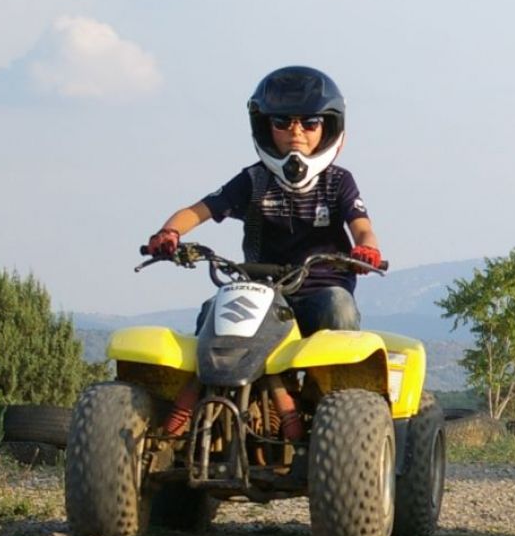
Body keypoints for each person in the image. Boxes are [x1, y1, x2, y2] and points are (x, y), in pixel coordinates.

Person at [141, 65, 383, 336]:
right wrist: (169, 232)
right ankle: (205, 381)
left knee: (340, 308)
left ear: (328, 127)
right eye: (282, 122)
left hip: (323, 292)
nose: (296, 132)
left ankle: (341, 379)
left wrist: (367, 249)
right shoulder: (254, 180)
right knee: (211, 312)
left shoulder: (338, 181)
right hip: (259, 292)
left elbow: (362, 228)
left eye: (310, 122)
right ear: (265, 127)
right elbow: (197, 211)